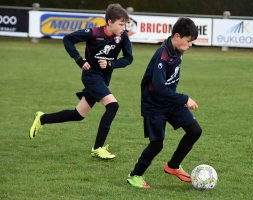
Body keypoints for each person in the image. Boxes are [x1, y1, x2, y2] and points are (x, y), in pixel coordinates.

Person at [29, 4, 133, 160]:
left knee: (78, 114)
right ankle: (98, 148)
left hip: (104, 79)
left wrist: (112, 64)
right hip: (91, 76)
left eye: (125, 25)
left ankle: (42, 118)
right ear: (110, 22)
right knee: (113, 106)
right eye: (121, 24)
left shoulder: (122, 37)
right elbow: (68, 39)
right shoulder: (94, 33)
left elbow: (128, 58)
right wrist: (79, 60)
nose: (123, 28)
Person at [127, 17, 202, 189]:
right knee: (157, 144)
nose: (190, 45)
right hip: (154, 104)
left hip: (170, 100)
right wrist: (185, 99)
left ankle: (173, 166)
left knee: (194, 131)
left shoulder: (178, 49)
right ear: (177, 36)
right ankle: (135, 175)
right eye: (189, 41)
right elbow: (159, 87)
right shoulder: (162, 56)